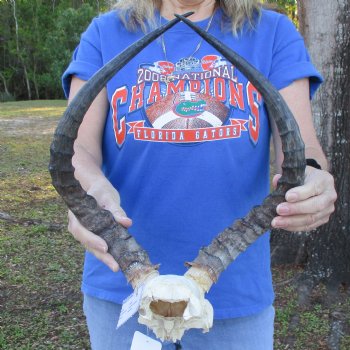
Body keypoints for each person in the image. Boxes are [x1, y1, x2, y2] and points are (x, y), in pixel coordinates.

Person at [62, 0, 337, 349]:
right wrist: (91, 190)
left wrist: (311, 178)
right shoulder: (106, 32)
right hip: (123, 287)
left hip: (234, 292)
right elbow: (78, 148)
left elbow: (302, 149)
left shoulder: (271, 32)